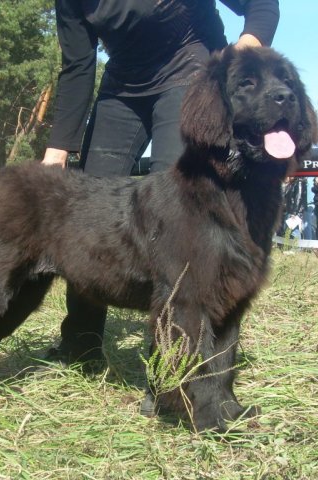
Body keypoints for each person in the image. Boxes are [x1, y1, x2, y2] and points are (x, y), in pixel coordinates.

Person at [41, 1, 280, 364]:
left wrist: (247, 46)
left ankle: (170, 369)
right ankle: (81, 344)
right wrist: (57, 150)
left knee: (179, 222)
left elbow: (261, 5)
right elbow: (77, 65)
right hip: (122, 84)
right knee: (86, 218)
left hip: (191, 72)